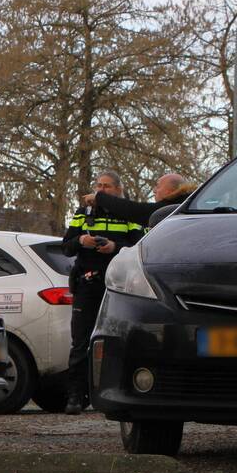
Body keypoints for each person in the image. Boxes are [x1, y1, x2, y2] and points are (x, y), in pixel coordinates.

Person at [61, 170, 144, 415]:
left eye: (107, 186)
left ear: (118, 191)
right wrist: (81, 242)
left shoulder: (129, 216)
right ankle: (76, 396)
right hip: (87, 284)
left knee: (119, 342)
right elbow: (65, 247)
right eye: (98, 185)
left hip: (119, 287)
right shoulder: (83, 214)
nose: (101, 190)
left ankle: (118, 392)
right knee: (81, 342)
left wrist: (115, 248)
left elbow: (141, 247)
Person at [82, 172, 196, 229]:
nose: (154, 190)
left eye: (158, 186)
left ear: (171, 190)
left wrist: (98, 197)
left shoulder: (172, 209)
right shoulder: (188, 204)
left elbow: (137, 210)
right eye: (99, 185)